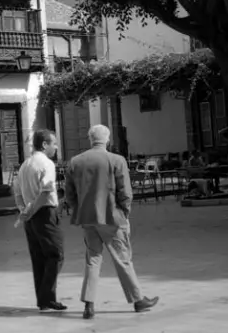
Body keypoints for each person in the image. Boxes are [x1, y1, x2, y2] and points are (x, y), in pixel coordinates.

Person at [65, 124, 159, 320]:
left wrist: (79, 210)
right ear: (107, 140)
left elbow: (69, 194)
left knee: (92, 259)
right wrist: (124, 212)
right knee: (122, 258)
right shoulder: (116, 160)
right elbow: (125, 191)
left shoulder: (75, 162)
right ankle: (137, 299)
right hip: (111, 216)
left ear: (91, 139)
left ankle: (89, 304)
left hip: (88, 218)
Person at [12, 130, 66, 312]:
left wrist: (24, 211)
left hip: (30, 217)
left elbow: (17, 192)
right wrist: (33, 210)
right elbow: (46, 192)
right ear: (44, 145)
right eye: (54, 143)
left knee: (38, 257)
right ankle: (46, 297)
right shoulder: (46, 164)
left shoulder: (25, 165)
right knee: (55, 254)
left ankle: (43, 300)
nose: (56, 147)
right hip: (44, 213)